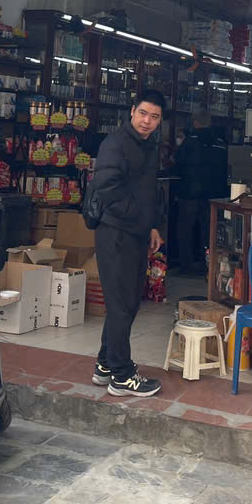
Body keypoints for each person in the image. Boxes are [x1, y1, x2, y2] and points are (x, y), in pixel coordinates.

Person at [85, 88, 166, 398]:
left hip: (136, 232)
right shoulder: (115, 144)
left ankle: (105, 364)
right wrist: (138, 218)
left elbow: (148, 189)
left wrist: (152, 225)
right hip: (116, 232)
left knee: (128, 301)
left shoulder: (149, 145)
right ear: (132, 111)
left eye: (154, 117)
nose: (147, 121)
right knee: (121, 303)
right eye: (143, 113)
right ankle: (121, 375)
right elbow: (107, 189)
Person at [173, 110, 227, 274]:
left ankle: (186, 266)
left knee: (185, 230)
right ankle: (207, 265)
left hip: (190, 194)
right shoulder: (220, 143)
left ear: (195, 123)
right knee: (209, 231)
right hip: (213, 195)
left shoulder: (189, 142)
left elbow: (177, 164)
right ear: (209, 122)